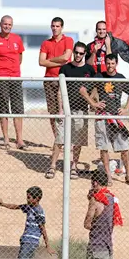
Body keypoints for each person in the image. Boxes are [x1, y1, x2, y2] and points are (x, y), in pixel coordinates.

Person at [81, 53, 129, 188]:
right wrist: (94, 104)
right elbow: (83, 90)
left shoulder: (120, 78)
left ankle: (128, 175)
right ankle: (108, 177)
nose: (110, 66)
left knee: (124, 148)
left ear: (116, 64)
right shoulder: (99, 76)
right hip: (102, 117)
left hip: (116, 119)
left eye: (112, 63)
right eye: (108, 63)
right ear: (105, 63)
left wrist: (126, 108)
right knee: (104, 148)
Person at [46, 42, 95, 180]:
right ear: (73, 52)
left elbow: (95, 87)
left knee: (78, 140)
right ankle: (53, 166)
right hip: (66, 110)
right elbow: (60, 91)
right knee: (60, 139)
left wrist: (91, 102)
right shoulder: (65, 68)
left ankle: (74, 166)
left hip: (81, 110)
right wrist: (61, 110)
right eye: (76, 52)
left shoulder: (89, 70)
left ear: (85, 54)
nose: (78, 55)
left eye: (81, 53)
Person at [0, 186, 54, 259]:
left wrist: (48, 245)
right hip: (25, 241)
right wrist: (3, 204)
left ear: (37, 198)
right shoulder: (29, 207)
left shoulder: (39, 211)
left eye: (29, 198)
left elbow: (43, 228)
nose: (27, 200)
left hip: (31, 242)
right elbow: (16, 206)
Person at [0, 15, 26, 150]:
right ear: (0, 24)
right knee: (4, 105)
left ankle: (19, 140)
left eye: (9, 24)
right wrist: (1, 68)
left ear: (12, 25)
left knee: (18, 107)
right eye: (5, 24)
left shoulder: (17, 39)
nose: (7, 26)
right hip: (1, 77)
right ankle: (6, 139)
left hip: (15, 77)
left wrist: (12, 68)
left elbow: (20, 58)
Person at [39, 17, 74, 137]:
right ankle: (58, 138)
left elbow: (66, 57)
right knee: (52, 112)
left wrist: (49, 60)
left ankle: (67, 138)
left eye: (57, 26)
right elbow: (41, 62)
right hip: (49, 79)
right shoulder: (46, 43)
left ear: (62, 27)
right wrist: (59, 61)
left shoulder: (68, 40)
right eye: (53, 26)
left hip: (64, 80)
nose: (55, 28)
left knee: (66, 110)